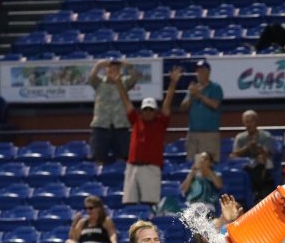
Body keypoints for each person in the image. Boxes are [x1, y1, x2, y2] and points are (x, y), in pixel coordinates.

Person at [118, 65, 183, 206]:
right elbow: (126, 101)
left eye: (151, 110)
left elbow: (168, 103)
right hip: (132, 167)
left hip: (151, 167)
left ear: (155, 111)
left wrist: (173, 82)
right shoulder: (136, 120)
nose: (148, 112)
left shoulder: (161, 122)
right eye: (145, 110)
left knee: (149, 204)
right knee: (129, 204)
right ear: (141, 111)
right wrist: (118, 82)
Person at [88, 58, 139, 165]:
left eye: (116, 68)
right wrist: (98, 65)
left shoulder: (124, 83)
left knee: (122, 158)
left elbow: (135, 78)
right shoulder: (99, 82)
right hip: (101, 125)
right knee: (99, 158)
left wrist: (129, 67)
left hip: (120, 126)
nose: (113, 70)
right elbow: (91, 77)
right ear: (105, 70)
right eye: (110, 68)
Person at [180, 59, 224, 161]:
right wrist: (191, 96)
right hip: (193, 133)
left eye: (202, 71)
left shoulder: (215, 88)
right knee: (192, 163)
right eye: (198, 71)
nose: (199, 74)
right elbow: (183, 107)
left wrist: (199, 95)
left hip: (209, 134)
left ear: (208, 72)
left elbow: (214, 105)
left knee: (209, 164)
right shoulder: (192, 89)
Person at [230, 109, 278, 204]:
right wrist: (246, 148)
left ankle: (257, 191)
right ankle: (258, 192)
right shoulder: (240, 137)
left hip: (263, 168)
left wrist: (256, 147)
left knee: (261, 158)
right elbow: (233, 155)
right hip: (246, 166)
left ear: (256, 122)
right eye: (246, 122)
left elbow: (268, 153)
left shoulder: (265, 136)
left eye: (251, 121)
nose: (248, 124)